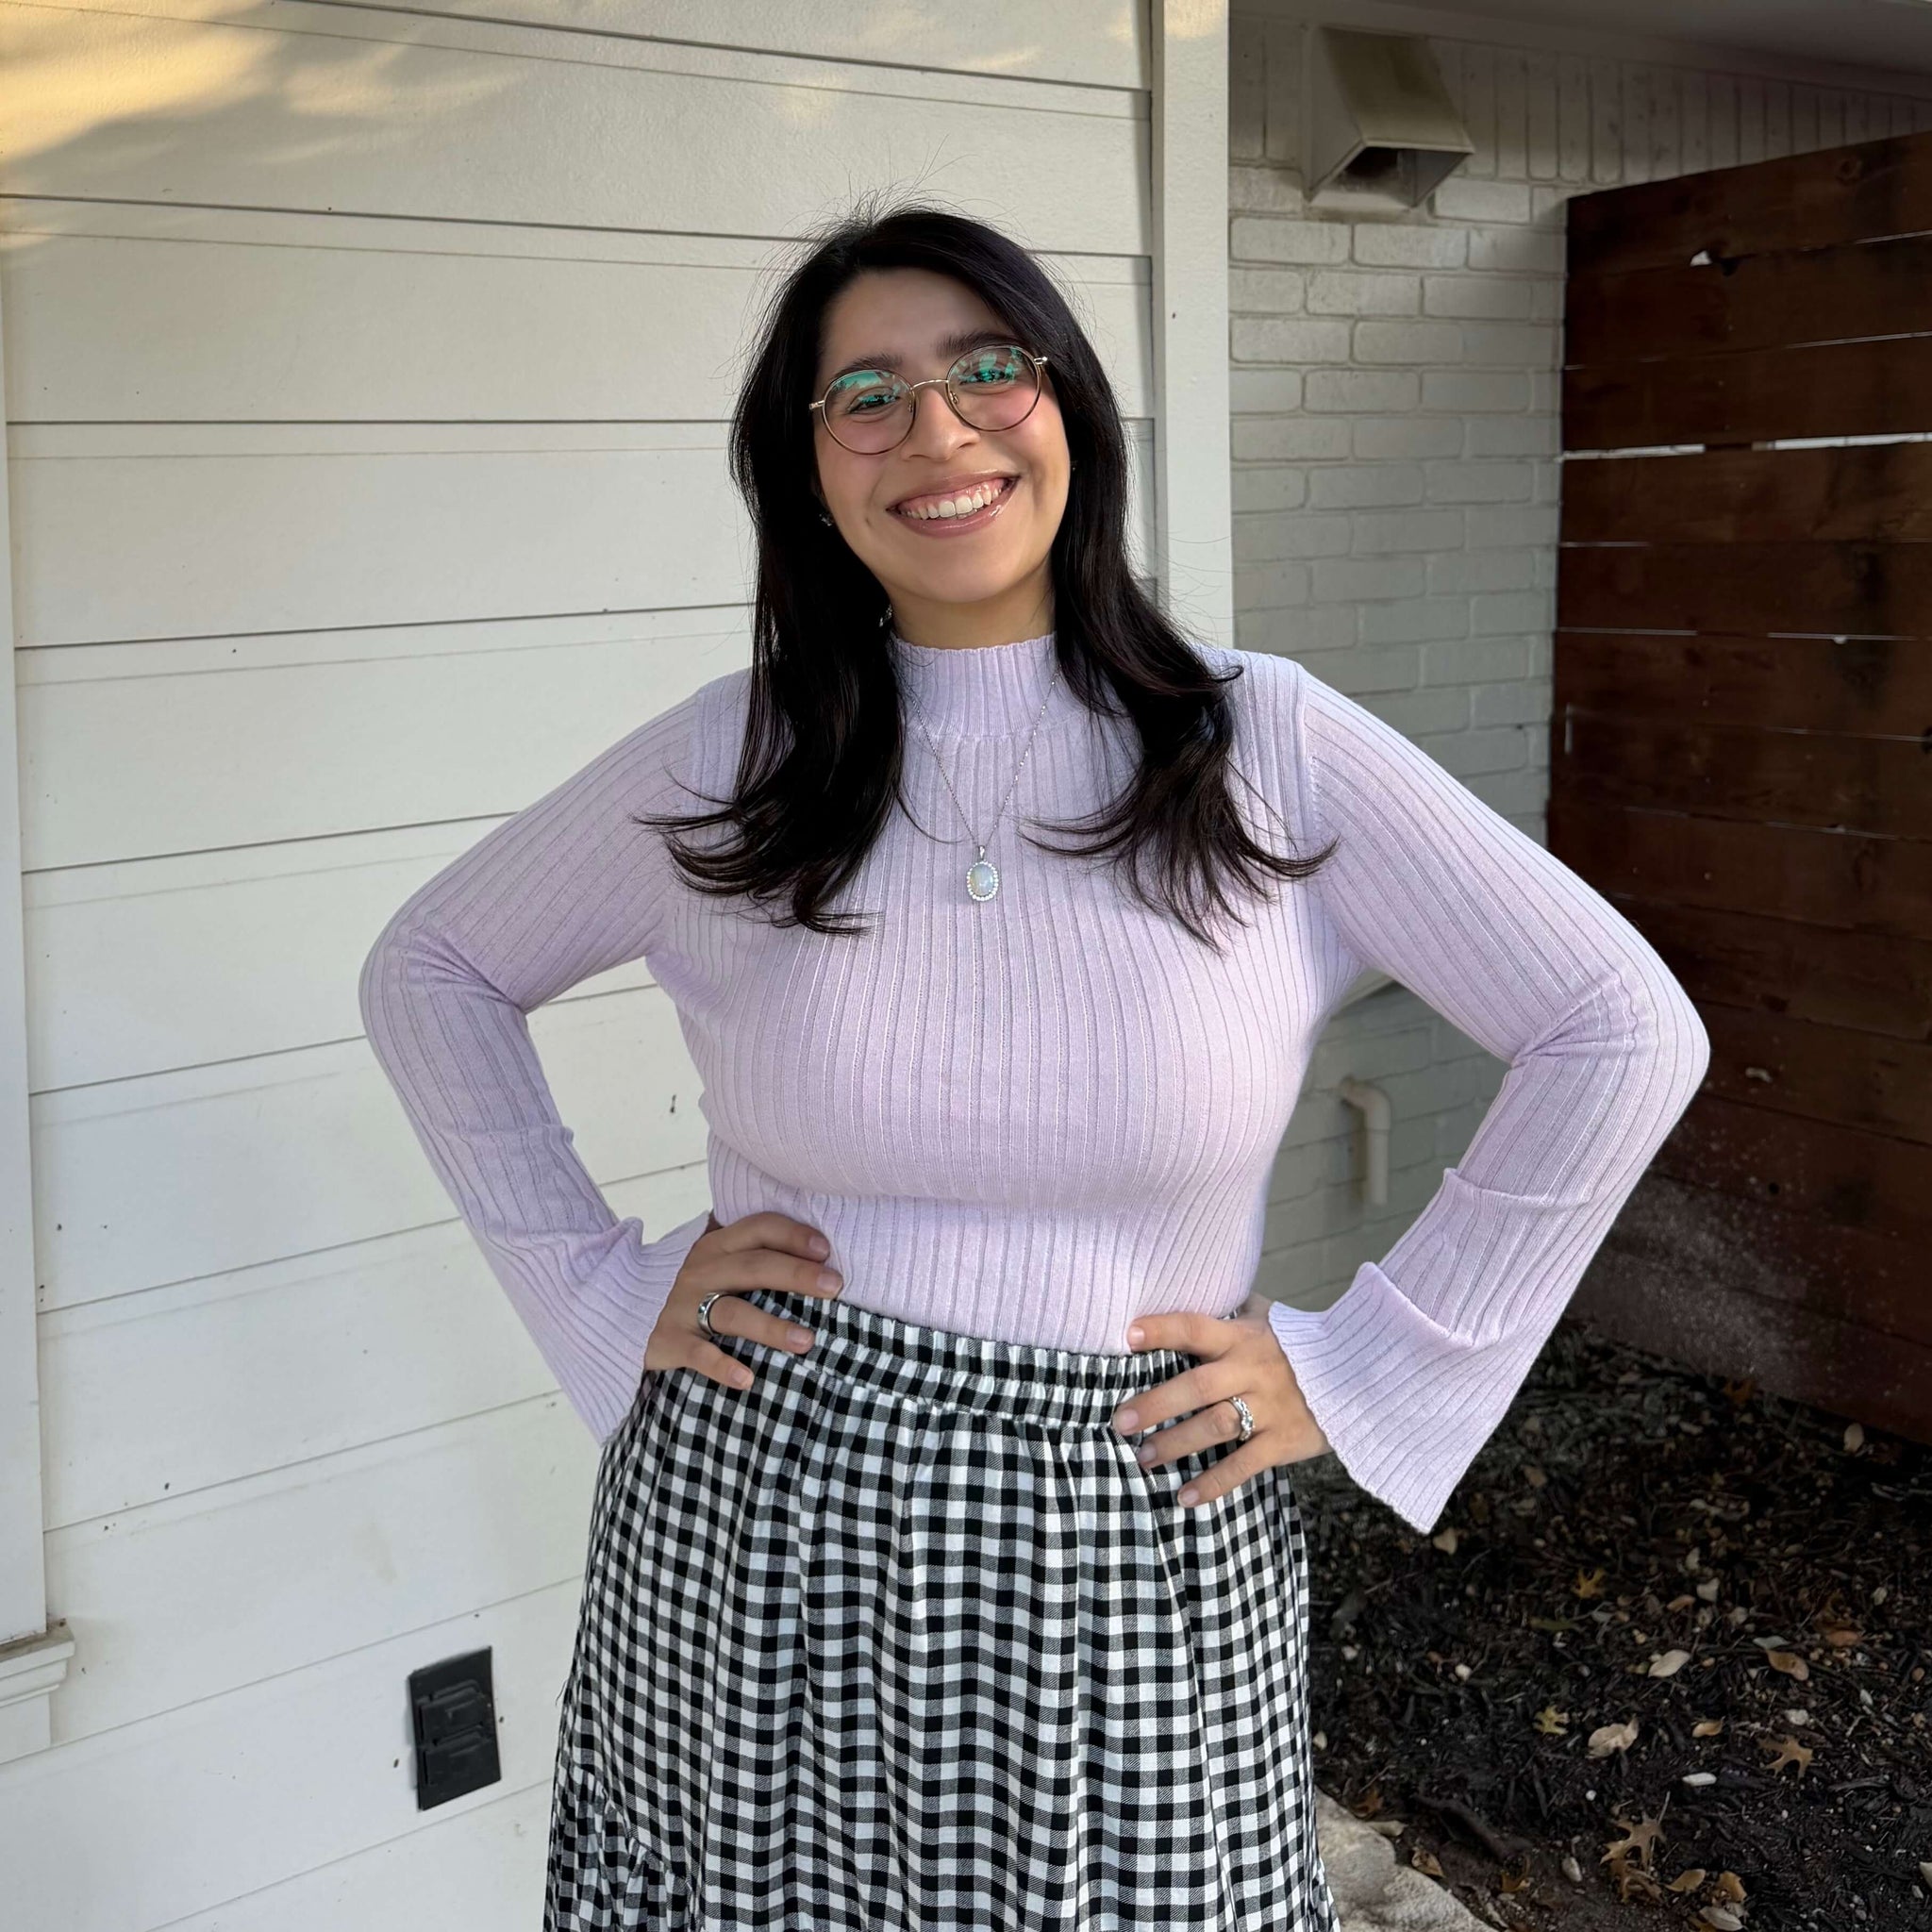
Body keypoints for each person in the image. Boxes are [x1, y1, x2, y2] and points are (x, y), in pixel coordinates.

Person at [358, 197, 1709, 1930]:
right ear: (808, 468)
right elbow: (435, 969)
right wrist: (594, 1286)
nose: (937, 431)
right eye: (866, 395)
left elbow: (1617, 1027)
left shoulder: (1261, 742)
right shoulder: (734, 757)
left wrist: (1381, 1360)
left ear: (1067, 403)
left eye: (988, 368)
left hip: (1133, 1523)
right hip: (759, 1519)